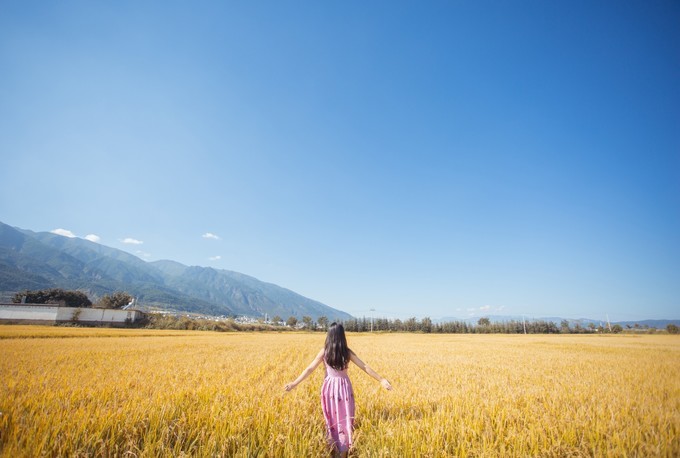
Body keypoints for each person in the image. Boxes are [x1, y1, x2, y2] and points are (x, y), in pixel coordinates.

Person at [284, 322, 392, 457]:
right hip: (344, 389)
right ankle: (343, 452)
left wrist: (294, 383)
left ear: (329, 335)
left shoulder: (325, 351)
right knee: (345, 419)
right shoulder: (347, 352)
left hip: (329, 389)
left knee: (331, 420)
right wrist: (381, 379)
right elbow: (365, 367)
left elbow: (309, 369)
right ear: (342, 336)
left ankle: (333, 449)